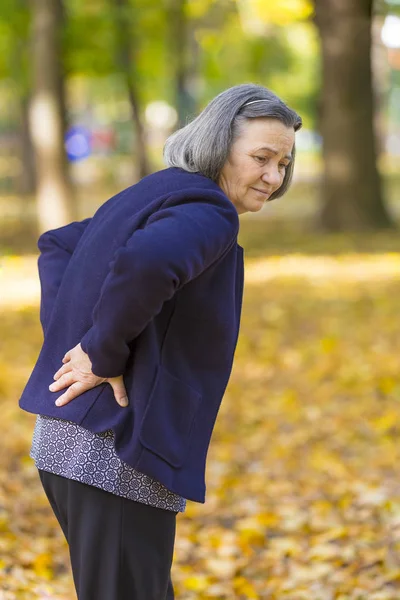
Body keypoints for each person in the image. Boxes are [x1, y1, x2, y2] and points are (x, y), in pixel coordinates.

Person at [19, 83, 301, 600]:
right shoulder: (209, 211)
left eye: (283, 164)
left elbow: (59, 245)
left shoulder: (158, 191)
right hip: (114, 452)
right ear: (219, 144)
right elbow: (147, 264)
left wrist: (80, 340)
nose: (272, 177)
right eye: (261, 158)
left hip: (71, 444)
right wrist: (98, 352)